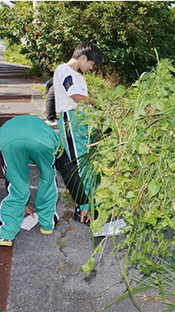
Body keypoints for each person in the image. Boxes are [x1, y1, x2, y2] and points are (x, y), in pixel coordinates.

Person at [53, 41, 102, 223]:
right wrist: (101, 103)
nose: (91, 68)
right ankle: (84, 210)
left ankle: (90, 207)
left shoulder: (79, 77)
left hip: (82, 122)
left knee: (88, 165)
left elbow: (83, 101)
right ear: (83, 57)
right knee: (80, 166)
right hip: (71, 122)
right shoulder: (63, 70)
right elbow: (76, 97)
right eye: (91, 64)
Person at [0, 115, 60, 247]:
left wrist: (23, 203)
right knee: (48, 178)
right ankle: (47, 224)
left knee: (16, 183)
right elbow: (57, 148)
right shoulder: (45, 129)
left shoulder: (8, 127)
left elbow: (10, 178)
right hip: (42, 141)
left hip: (9, 141)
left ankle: (6, 233)